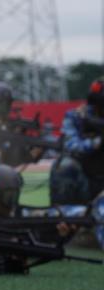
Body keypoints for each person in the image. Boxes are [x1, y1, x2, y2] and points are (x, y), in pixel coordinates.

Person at [49, 78, 104, 208]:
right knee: (65, 166)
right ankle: (64, 215)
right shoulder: (77, 117)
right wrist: (97, 142)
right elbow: (71, 146)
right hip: (85, 176)